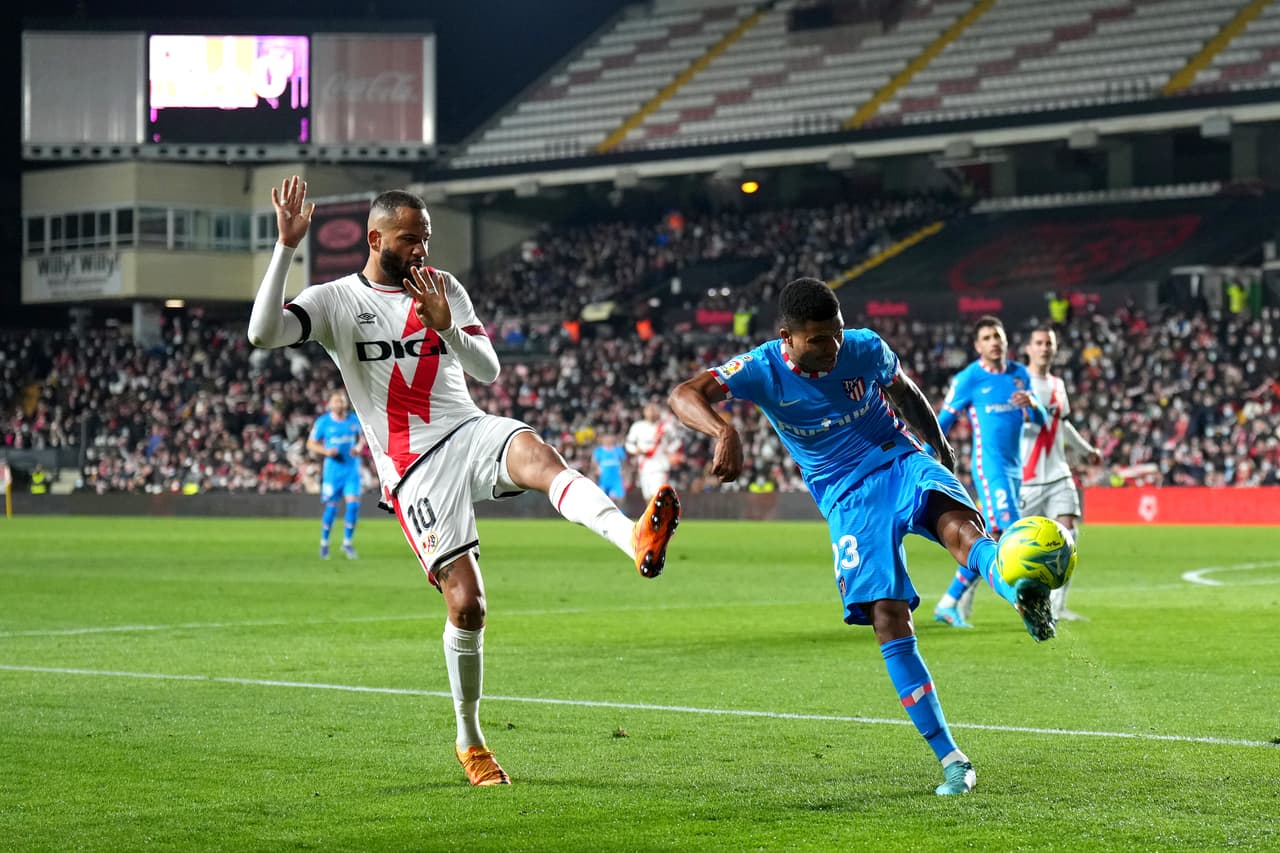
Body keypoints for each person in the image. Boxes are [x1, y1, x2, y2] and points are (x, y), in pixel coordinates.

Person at [248, 176, 682, 786]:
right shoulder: (335, 301)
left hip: (468, 430)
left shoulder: (443, 287)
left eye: (426, 238)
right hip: (414, 470)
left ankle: (631, 536)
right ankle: (471, 741)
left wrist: (448, 324)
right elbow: (262, 334)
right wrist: (286, 248)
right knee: (468, 606)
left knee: (538, 453)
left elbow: (488, 368)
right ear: (375, 239)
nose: (422, 250)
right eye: (409, 239)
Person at [668, 277, 1055, 797]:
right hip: (846, 497)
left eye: (837, 334)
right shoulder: (761, 368)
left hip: (898, 457)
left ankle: (1019, 594)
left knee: (960, 527)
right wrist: (723, 431)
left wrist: (936, 443)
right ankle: (953, 760)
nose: (832, 347)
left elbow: (903, 391)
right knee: (889, 617)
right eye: (818, 340)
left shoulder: (864, 347)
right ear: (787, 337)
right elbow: (684, 393)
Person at [931, 315, 1048, 630]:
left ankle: (948, 603)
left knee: (992, 537)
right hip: (990, 467)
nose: (994, 342)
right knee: (1013, 533)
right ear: (977, 345)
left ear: (1006, 341)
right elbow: (941, 421)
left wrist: (1033, 404)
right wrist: (929, 456)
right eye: (987, 337)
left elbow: (1041, 421)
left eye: (998, 335)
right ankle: (1025, 604)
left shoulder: (1020, 375)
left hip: (1014, 468)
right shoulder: (969, 378)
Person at [1021, 326, 1102, 622]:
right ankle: (960, 597)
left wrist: (1086, 450)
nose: (1044, 348)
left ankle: (1057, 607)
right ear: (1028, 348)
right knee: (1000, 539)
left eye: (1049, 344)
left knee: (1069, 532)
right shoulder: (1018, 382)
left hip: (1058, 473)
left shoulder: (1057, 384)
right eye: (1039, 343)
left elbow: (1063, 425)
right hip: (1025, 478)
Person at [307, 390, 365, 559]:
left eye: (341, 401)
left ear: (345, 403)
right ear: (330, 404)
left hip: (351, 470)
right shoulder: (323, 422)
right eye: (336, 401)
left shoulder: (354, 420)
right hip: (333, 472)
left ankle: (347, 543)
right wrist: (326, 451)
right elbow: (311, 443)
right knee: (331, 507)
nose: (339, 404)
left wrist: (358, 448)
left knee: (353, 505)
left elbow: (362, 438)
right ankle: (324, 543)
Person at [625, 401, 680, 500]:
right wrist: (635, 450)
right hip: (644, 466)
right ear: (644, 412)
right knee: (647, 496)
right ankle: (652, 515)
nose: (651, 413)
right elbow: (629, 443)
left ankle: (660, 515)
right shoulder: (637, 426)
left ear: (658, 412)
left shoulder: (665, 427)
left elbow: (677, 441)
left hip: (660, 466)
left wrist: (669, 449)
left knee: (657, 496)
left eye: (654, 410)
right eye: (649, 410)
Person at [591, 433, 628, 501]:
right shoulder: (598, 450)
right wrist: (596, 469)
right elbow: (594, 462)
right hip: (604, 478)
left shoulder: (618, 449)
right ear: (602, 440)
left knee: (618, 499)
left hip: (616, 477)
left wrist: (624, 472)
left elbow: (624, 462)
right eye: (606, 439)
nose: (608, 441)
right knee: (604, 499)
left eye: (610, 439)